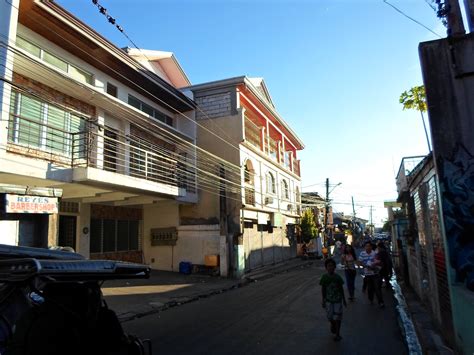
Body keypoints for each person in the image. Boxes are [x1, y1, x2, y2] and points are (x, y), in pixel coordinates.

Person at [320, 258, 347, 341]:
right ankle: (332, 324)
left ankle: (337, 334)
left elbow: (341, 289)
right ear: (326, 267)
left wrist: (344, 299)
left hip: (337, 300)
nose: (330, 267)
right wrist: (323, 300)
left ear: (335, 267)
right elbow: (323, 289)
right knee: (330, 317)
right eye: (328, 266)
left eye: (332, 266)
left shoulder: (338, 278)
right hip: (328, 301)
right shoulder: (324, 278)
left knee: (338, 317)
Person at [358, 241, 384, 308]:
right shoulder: (362, 253)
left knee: (377, 288)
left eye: (369, 246)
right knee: (370, 288)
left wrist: (374, 265)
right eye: (366, 246)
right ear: (365, 247)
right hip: (367, 274)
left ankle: (381, 302)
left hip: (375, 273)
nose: (368, 247)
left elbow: (380, 262)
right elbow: (359, 262)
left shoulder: (375, 253)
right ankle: (371, 299)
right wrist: (366, 266)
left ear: (371, 247)